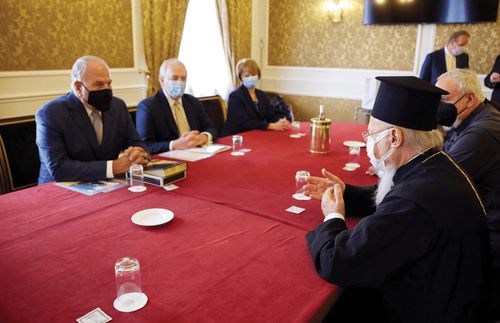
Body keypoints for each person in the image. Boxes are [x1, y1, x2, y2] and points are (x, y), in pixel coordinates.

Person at [304, 76, 490, 322]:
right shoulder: (434, 164)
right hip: (449, 290)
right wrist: (346, 193)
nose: (367, 142)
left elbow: (339, 261)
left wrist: (333, 214)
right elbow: (395, 192)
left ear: (394, 138)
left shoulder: (415, 200)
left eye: (371, 135)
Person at [435, 69, 500, 320]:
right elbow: (442, 154)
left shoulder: (483, 131)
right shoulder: (473, 117)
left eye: (444, 100)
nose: (439, 108)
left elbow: (437, 180)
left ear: (470, 99)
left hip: (488, 240)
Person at [36, 56, 149, 184]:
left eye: (109, 83)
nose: (107, 89)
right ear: (78, 87)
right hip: (59, 190)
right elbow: (59, 168)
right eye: (99, 84)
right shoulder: (50, 114)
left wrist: (138, 154)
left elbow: (137, 143)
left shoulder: (118, 106)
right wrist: (114, 167)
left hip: (106, 185)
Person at [136, 58, 217, 154]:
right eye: (174, 78)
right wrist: (174, 145)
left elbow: (212, 129)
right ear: (162, 80)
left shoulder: (193, 102)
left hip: (198, 154)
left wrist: (203, 137)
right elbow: (145, 146)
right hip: (170, 161)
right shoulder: (147, 107)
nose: (180, 82)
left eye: (183, 78)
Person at [220, 58, 289, 137]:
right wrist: (270, 126)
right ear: (240, 77)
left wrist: (281, 121)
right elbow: (244, 123)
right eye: (247, 75)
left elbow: (270, 115)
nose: (251, 77)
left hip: (256, 134)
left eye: (253, 75)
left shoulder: (261, 95)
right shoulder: (235, 96)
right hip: (236, 137)